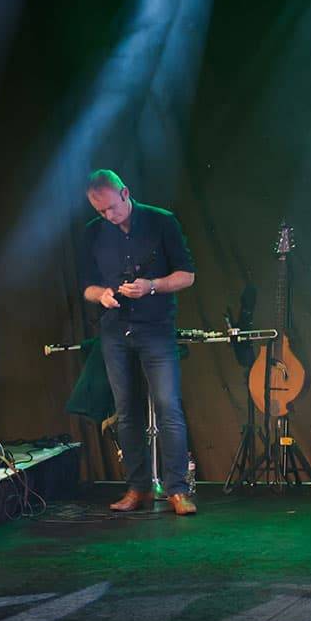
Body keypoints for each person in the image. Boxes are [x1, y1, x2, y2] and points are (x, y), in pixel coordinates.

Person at [80, 170, 197, 515]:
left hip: (156, 328)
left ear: (125, 193)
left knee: (168, 406)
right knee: (126, 412)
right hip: (115, 331)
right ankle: (138, 488)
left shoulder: (161, 222)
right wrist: (100, 294)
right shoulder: (93, 234)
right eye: (100, 212)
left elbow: (187, 274)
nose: (108, 217)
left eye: (112, 209)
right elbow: (85, 285)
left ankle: (177, 490)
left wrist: (152, 286)